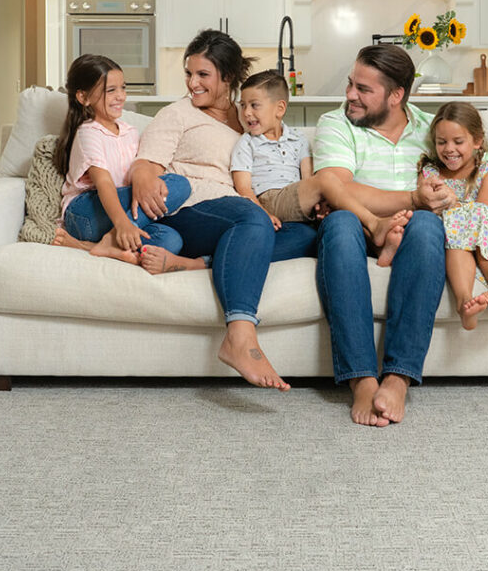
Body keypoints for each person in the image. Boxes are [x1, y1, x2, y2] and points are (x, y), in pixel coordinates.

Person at [313, 44, 488, 427]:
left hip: (413, 227)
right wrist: (413, 197)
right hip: (355, 223)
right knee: (341, 223)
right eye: (351, 84)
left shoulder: (433, 130)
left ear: (396, 96)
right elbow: (338, 187)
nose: (350, 95)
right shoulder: (336, 123)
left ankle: (398, 376)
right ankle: (361, 378)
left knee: (429, 224)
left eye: (363, 89)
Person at [128, 30, 318, 391]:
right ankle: (240, 334)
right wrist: (142, 176)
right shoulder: (177, 114)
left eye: (203, 75)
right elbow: (145, 164)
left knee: (307, 234)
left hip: (240, 213)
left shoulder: (249, 115)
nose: (192, 84)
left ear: (227, 78)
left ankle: (198, 263)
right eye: (189, 73)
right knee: (252, 217)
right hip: (190, 207)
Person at [229, 70, 410, 263]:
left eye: (254, 105)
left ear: (280, 108)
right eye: (242, 105)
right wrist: (264, 214)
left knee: (337, 207)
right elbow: (244, 188)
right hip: (269, 200)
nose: (247, 112)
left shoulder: (297, 139)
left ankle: (378, 246)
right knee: (328, 179)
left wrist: (318, 205)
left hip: (295, 200)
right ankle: (374, 223)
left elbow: (308, 180)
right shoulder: (246, 143)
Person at [51, 54, 191, 264]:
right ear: (83, 97)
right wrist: (122, 224)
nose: (120, 96)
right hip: (84, 214)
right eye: (111, 90)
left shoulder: (129, 131)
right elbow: (104, 183)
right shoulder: (88, 132)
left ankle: (100, 246)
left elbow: (137, 177)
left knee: (172, 240)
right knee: (179, 184)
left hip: (117, 214)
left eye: (123, 88)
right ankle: (110, 238)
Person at [418, 101, 488, 330]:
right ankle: (464, 302)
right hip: (452, 238)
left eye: (458, 142)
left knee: (471, 217)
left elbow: (482, 211)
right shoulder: (429, 171)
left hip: (482, 233)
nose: (449, 148)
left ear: (477, 141)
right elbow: (425, 205)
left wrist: (453, 203)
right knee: (455, 233)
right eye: (442, 142)